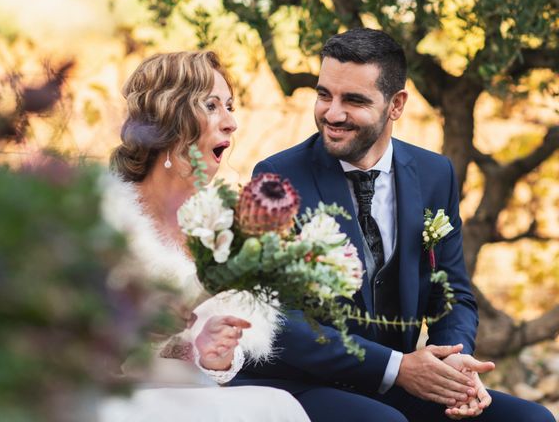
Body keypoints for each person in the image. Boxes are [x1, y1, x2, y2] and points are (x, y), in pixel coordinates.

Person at [231, 28, 554, 422]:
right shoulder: (277, 178)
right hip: (305, 384)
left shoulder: (436, 173)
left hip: (400, 384)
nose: (332, 113)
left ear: (396, 104)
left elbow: (451, 293)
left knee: (530, 419)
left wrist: (454, 366)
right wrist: (397, 367)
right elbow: (276, 319)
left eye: (353, 100)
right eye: (323, 94)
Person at [98, 51, 310, 421]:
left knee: (280, 407)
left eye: (230, 106)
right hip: (119, 397)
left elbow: (223, 361)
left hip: (199, 397)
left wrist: (215, 353)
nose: (231, 123)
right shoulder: (102, 219)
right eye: (212, 106)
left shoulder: (226, 230)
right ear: (169, 118)